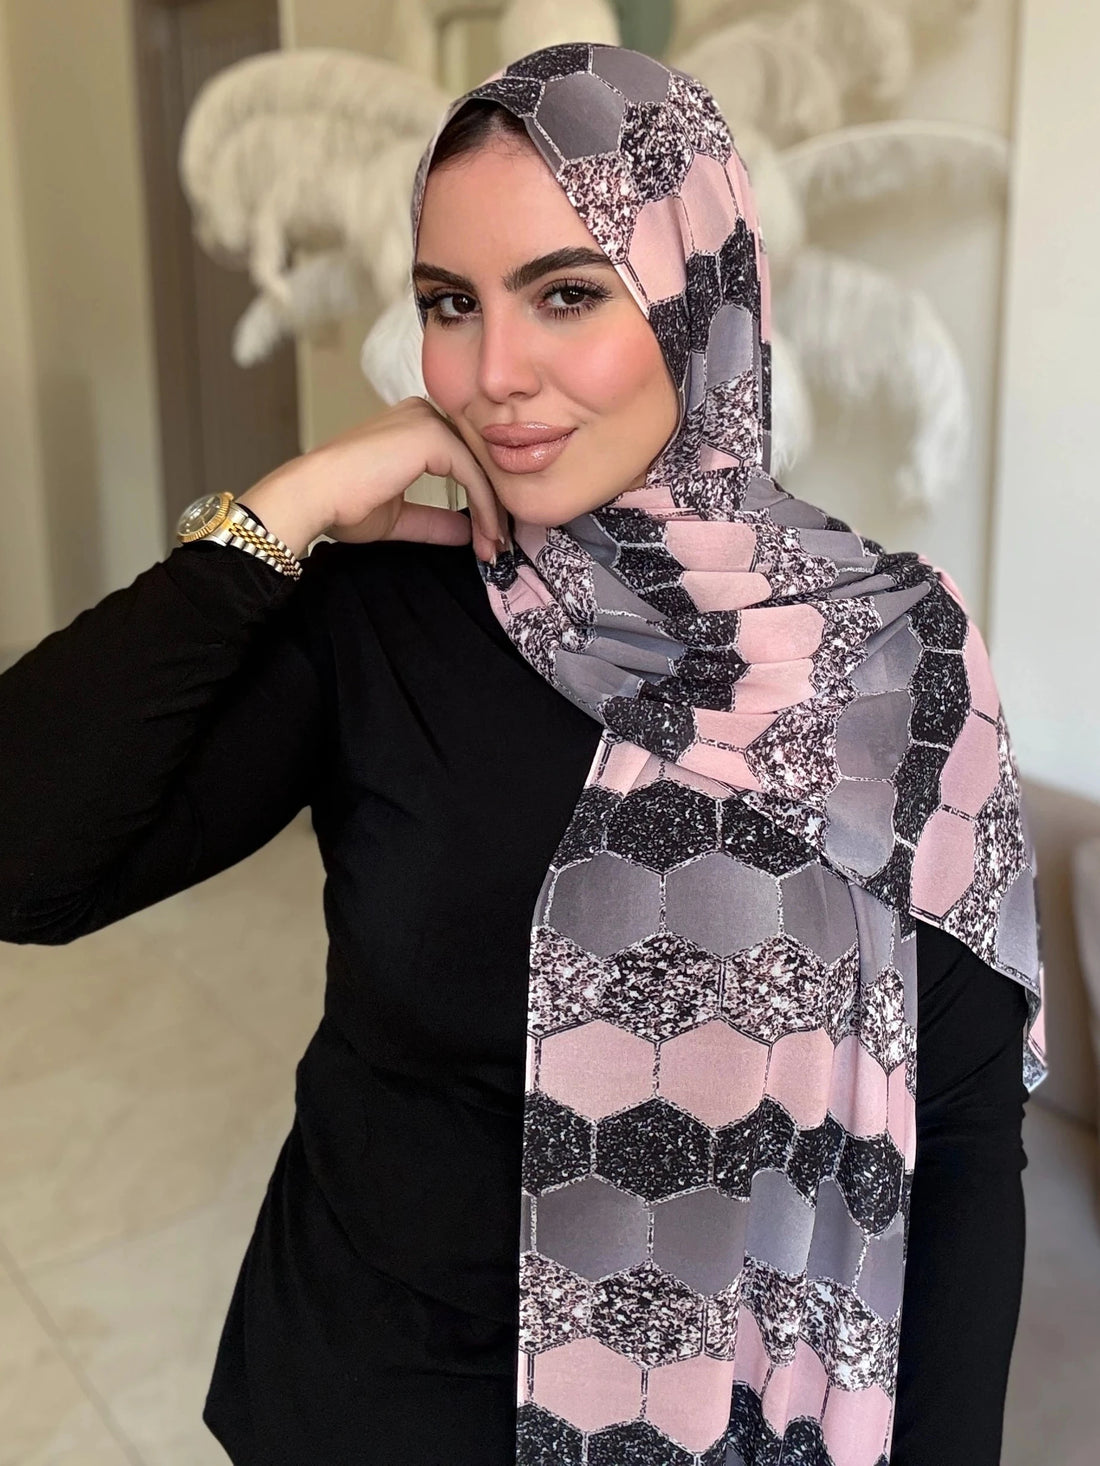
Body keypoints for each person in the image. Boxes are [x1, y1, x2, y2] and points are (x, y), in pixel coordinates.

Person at [0, 43, 1043, 1466]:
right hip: (362, 1399)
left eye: (566, 293)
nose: (492, 376)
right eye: (449, 304)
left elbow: (965, 1134)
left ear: (699, 295)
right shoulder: (384, 616)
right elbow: (27, 858)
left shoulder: (894, 658)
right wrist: (281, 513)